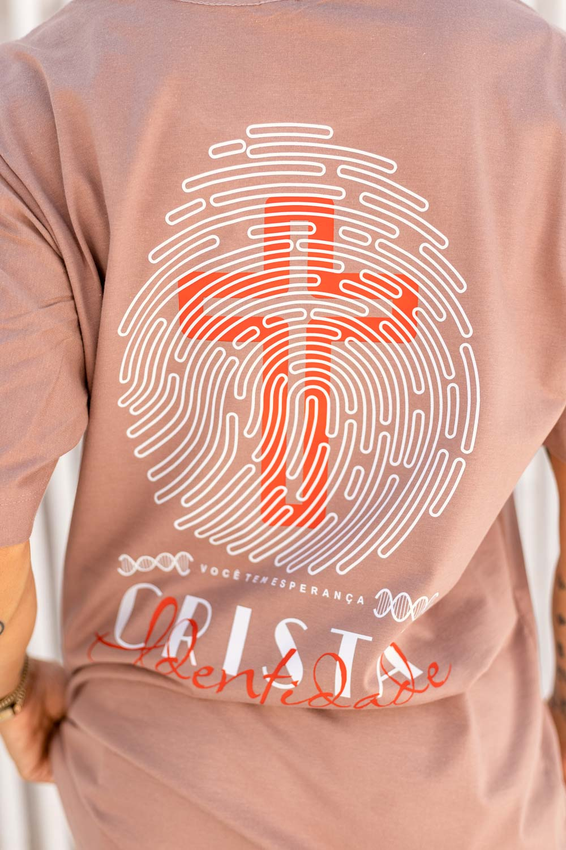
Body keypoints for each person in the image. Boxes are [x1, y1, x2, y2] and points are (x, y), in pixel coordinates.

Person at [1, 0, 566, 846]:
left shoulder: (48, 96)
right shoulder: (542, 91)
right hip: (467, 799)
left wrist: (11, 696)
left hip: (155, 793)